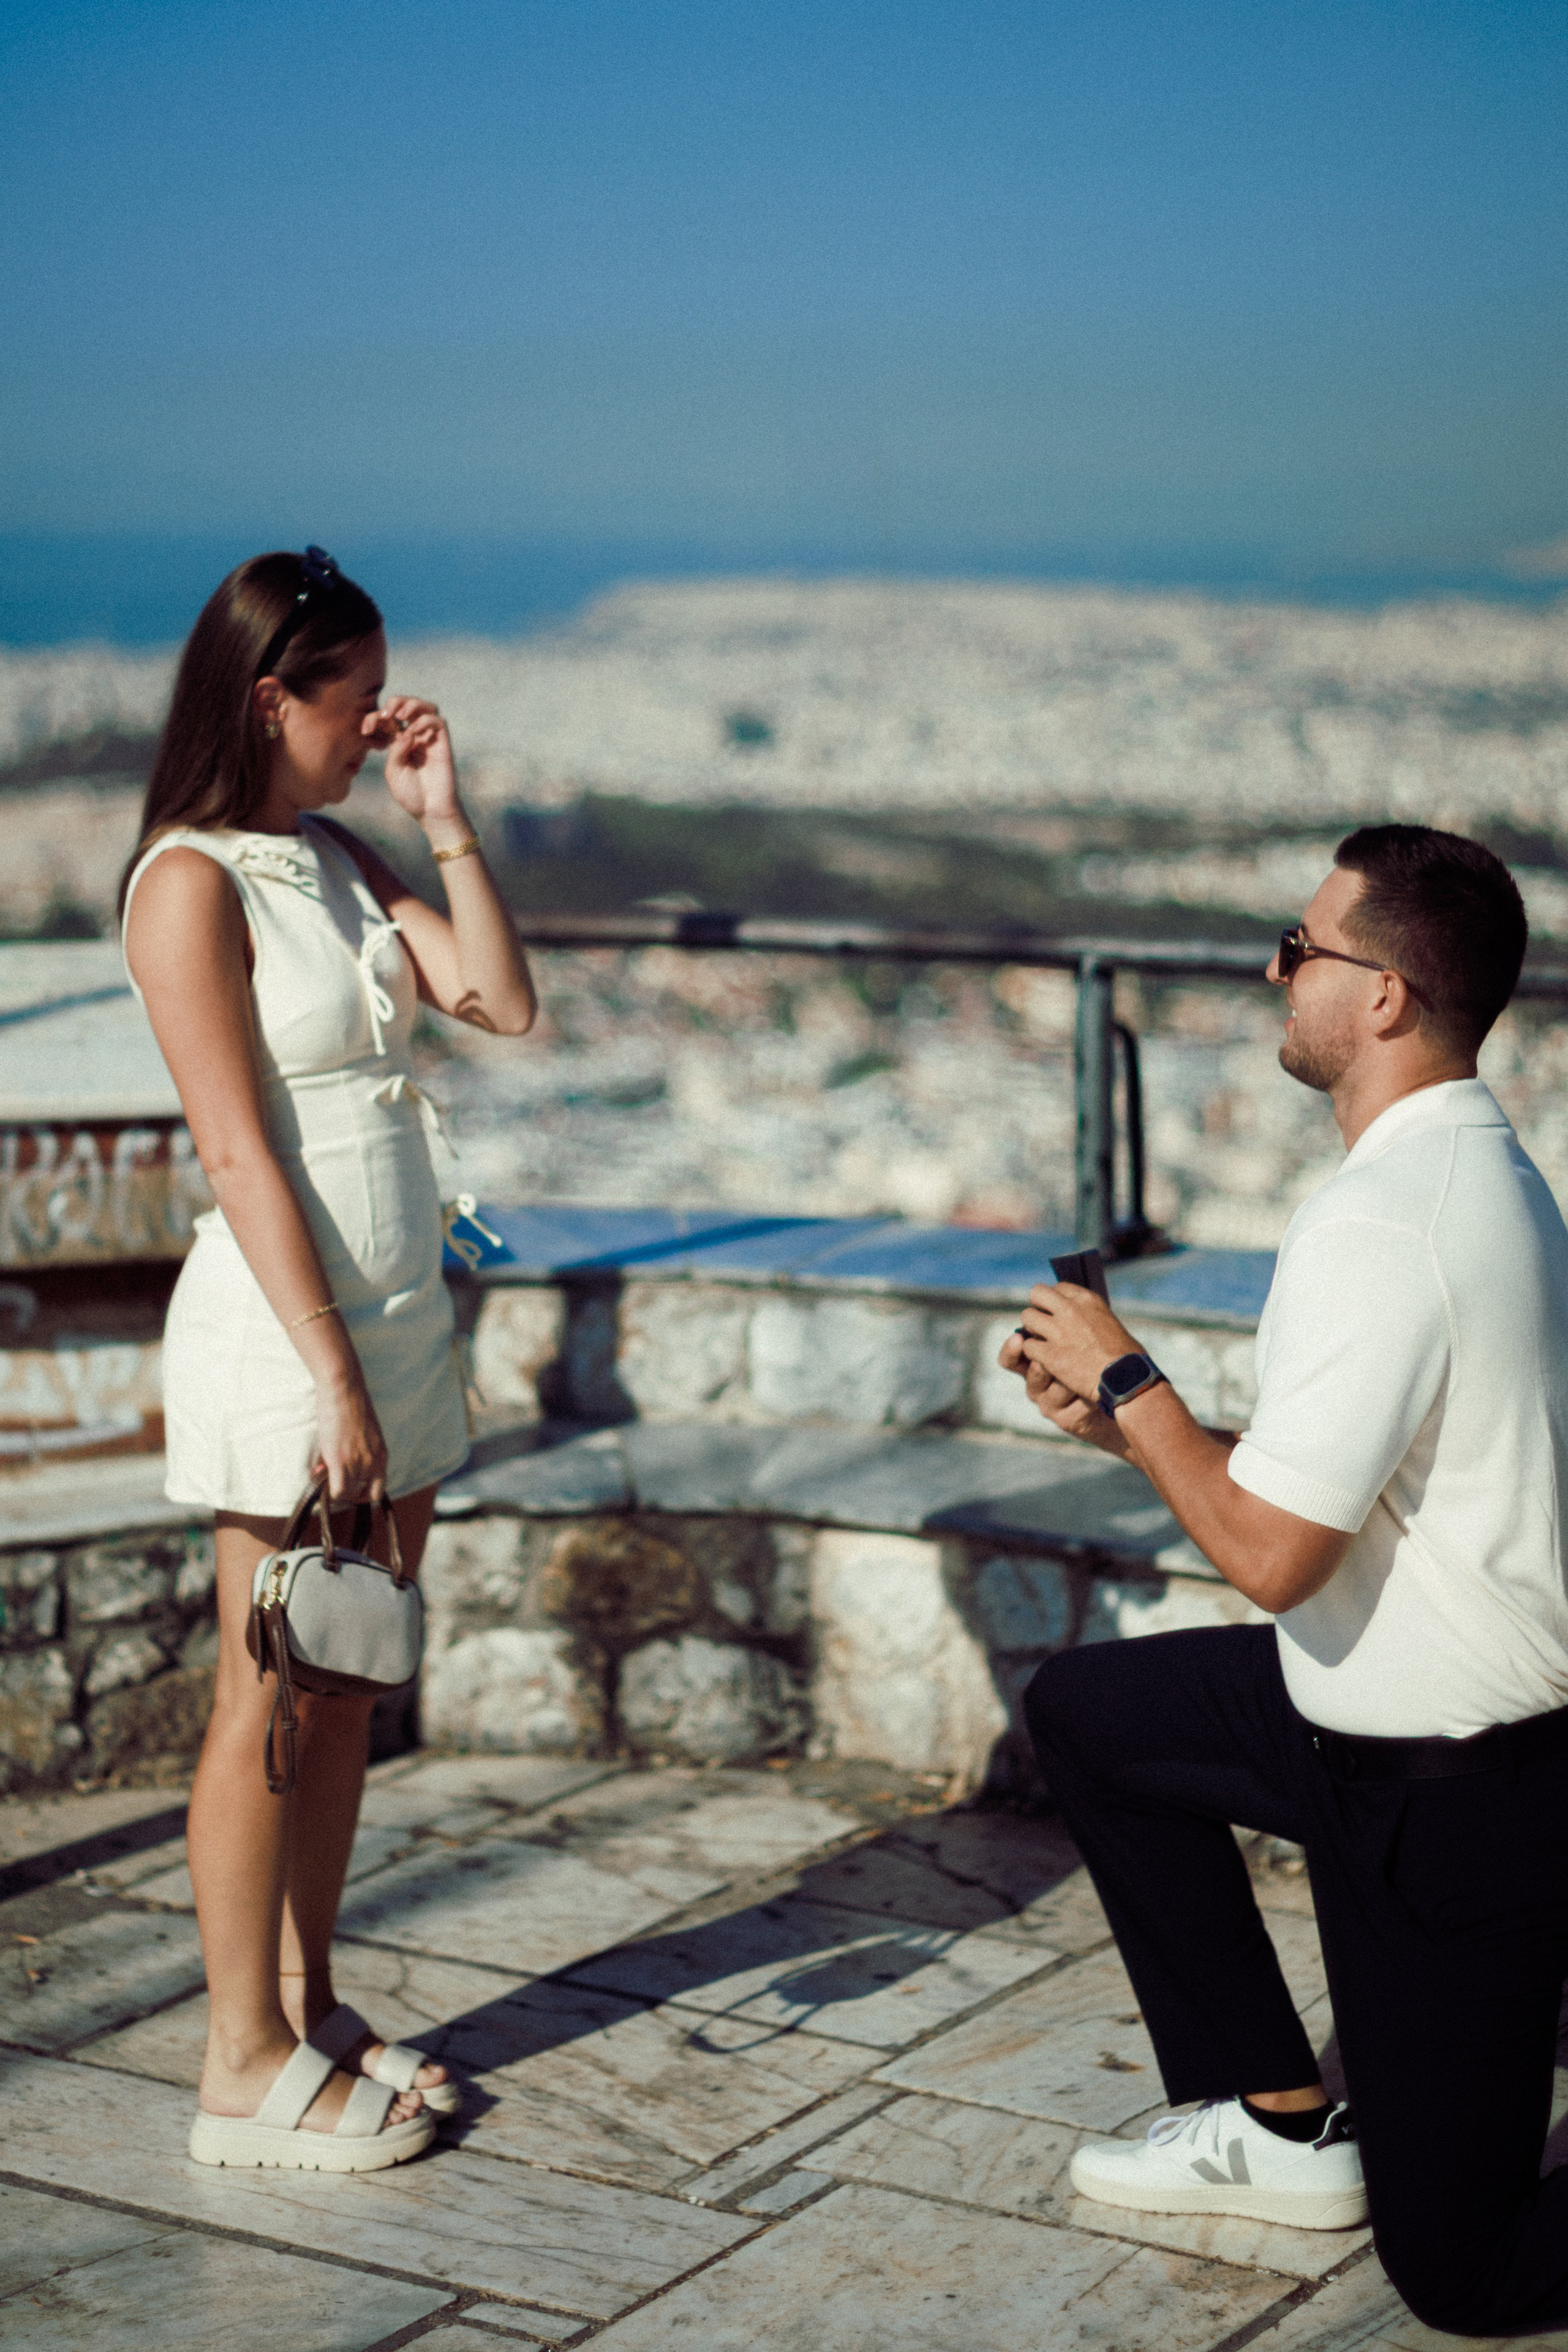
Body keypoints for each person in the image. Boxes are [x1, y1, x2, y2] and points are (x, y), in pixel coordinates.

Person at [1000, 823, 1568, 2337]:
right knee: (1094, 1712)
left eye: (1298, 948)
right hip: (1363, 1712)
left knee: (1462, 2275)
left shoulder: (1387, 1223)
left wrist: (1128, 1382)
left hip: (1456, 1789)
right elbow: (1329, 1481)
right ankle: (1269, 2112)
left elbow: (1265, 1555)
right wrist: (1145, 1429)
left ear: (1379, 997)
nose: (1275, 969)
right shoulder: (1471, 1171)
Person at [121, 548, 537, 2171]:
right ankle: (238, 2066)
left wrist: (443, 811)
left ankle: (309, 2001)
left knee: (350, 1681)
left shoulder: (342, 856)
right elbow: (235, 1154)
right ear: (268, 696)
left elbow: (499, 1000)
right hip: (291, 1337)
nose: (377, 722)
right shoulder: (188, 884)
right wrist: (333, 1378)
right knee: (265, 1695)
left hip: (397, 1320)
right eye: (354, 699)